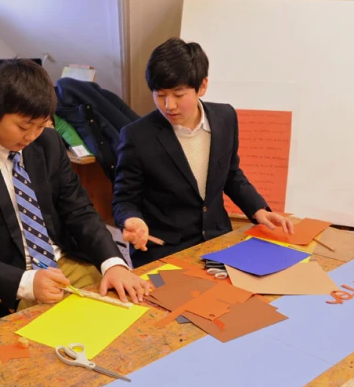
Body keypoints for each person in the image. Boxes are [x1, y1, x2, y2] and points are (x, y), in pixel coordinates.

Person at [0, 59, 152, 329]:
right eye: (24, 126)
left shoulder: (48, 142)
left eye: (41, 124)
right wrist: (26, 283)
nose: (32, 136)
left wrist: (112, 263)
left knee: (133, 319)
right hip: (7, 284)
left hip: (67, 262)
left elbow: (78, 210)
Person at [113, 38, 294, 267]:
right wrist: (132, 220)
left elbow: (230, 174)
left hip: (218, 240)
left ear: (202, 86)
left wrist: (258, 210)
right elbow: (124, 198)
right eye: (160, 95)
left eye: (178, 95)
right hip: (164, 250)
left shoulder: (225, 118)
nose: (169, 105)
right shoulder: (137, 135)